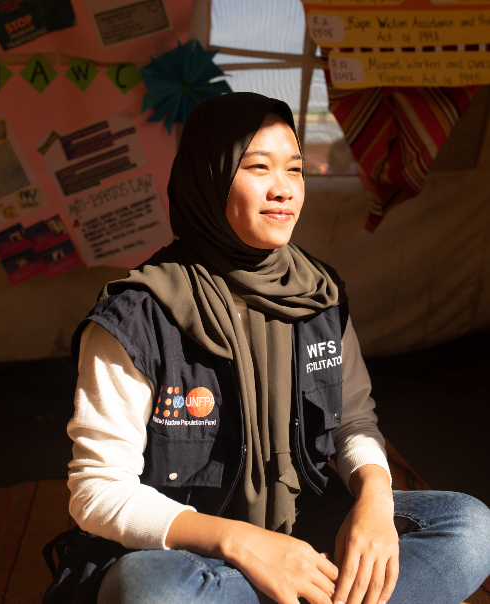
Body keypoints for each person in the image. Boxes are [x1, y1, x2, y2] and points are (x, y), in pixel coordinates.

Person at [43, 93, 490, 604]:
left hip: (300, 526)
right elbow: (97, 491)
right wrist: (243, 542)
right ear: (207, 177)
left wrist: (373, 499)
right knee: (148, 589)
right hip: (189, 549)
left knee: (470, 527)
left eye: (295, 169)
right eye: (258, 167)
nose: (284, 190)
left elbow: (354, 422)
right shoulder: (137, 318)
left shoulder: (319, 295)